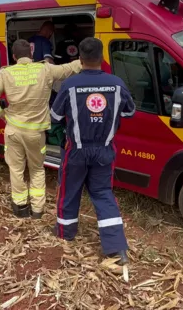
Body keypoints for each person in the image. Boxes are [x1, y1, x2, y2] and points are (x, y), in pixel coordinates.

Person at [49, 37, 136, 266]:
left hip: (76, 150)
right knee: (103, 194)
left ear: (80, 59)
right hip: (104, 150)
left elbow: (55, 117)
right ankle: (117, 248)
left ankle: (65, 234)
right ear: (102, 58)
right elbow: (129, 112)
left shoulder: (69, 84)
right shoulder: (117, 83)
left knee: (69, 191)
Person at [0, 39, 82, 218]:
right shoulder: (45, 69)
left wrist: (1, 114)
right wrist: (86, 59)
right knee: (36, 169)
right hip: (36, 132)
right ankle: (37, 210)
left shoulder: (6, 73)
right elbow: (69, 68)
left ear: (14, 56)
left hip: (13, 130)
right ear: (32, 54)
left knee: (16, 169)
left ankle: (20, 208)